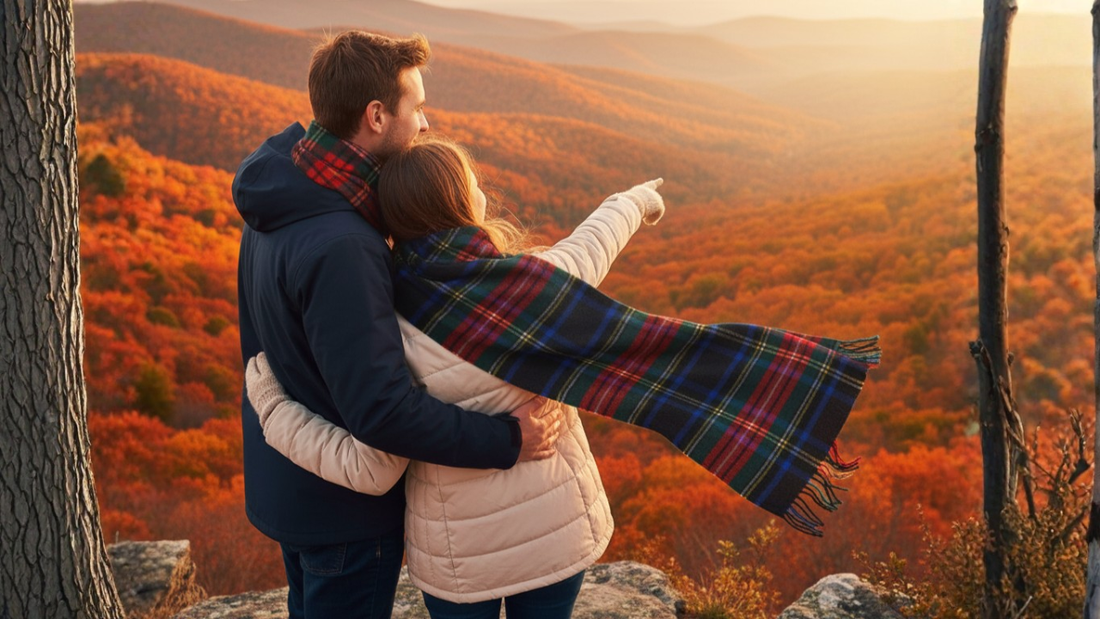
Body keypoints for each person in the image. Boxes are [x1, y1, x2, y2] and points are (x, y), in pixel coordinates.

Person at [246, 137, 669, 619]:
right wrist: (634, 201)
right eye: (472, 184)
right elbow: (593, 243)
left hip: (458, 563)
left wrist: (274, 410)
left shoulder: (389, 331)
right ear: (463, 203)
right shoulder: (537, 282)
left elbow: (371, 468)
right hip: (558, 535)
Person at [233, 31, 563, 619]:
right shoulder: (344, 245)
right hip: (346, 516)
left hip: (294, 483)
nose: (427, 123)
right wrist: (510, 440)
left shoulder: (283, 190)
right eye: (417, 107)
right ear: (377, 116)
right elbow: (382, 411)